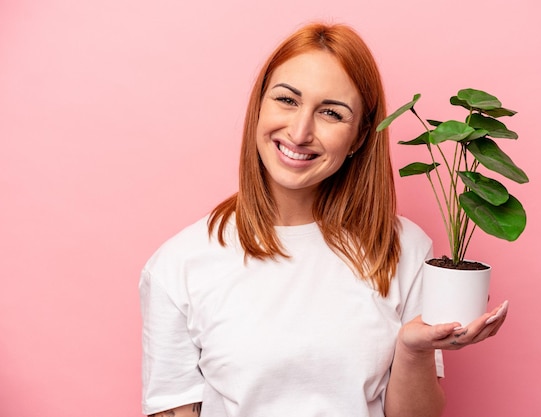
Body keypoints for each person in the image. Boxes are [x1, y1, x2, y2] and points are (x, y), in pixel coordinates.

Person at [139, 22, 508, 417]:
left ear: (361, 136)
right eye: (287, 100)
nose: (299, 132)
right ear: (259, 104)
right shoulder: (178, 265)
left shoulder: (405, 248)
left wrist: (412, 348)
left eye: (331, 113)